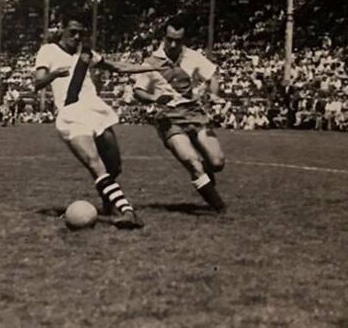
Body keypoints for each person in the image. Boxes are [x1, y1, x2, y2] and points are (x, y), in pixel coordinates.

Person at [33, 12, 154, 230]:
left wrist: (154, 68)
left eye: (81, 33)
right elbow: (38, 83)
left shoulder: (86, 53)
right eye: (73, 32)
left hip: (95, 111)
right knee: (94, 162)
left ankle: (109, 203)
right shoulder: (48, 51)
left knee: (114, 166)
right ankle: (128, 212)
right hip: (71, 115)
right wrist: (55, 74)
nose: (77, 37)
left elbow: (119, 67)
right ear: (61, 29)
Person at [133, 17, 227, 212]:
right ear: (163, 38)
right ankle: (220, 209)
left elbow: (212, 77)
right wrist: (154, 99)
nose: (173, 44)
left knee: (217, 162)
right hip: (169, 118)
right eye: (169, 39)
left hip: (195, 113)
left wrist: (214, 95)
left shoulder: (193, 57)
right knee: (192, 163)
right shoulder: (152, 62)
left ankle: (208, 179)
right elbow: (138, 90)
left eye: (178, 40)